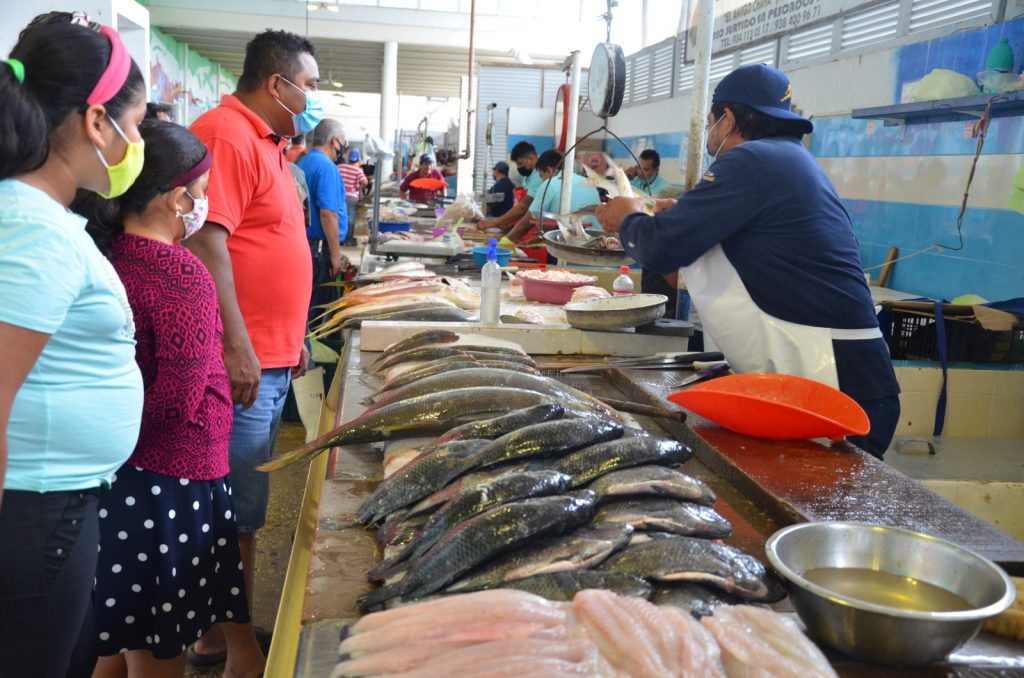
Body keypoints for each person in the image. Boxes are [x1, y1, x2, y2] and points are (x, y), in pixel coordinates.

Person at [596, 64, 900, 459]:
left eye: (710, 120)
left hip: (834, 379)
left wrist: (627, 217)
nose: (709, 131)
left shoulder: (751, 160)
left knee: (812, 505)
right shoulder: (783, 158)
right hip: (834, 372)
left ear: (729, 120)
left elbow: (660, 249)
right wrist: (672, 212)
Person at [81, 120, 265, 678]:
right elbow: (181, 395)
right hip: (170, 482)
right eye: (201, 192)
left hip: (127, 477)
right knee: (158, 648)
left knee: (120, 634)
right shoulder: (180, 272)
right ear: (173, 195)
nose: (203, 205)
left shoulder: (111, 256)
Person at [0, 17, 146, 678]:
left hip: (53, 503)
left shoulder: (42, 217)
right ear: (96, 122)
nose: (135, 141)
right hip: (34, 513)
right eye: (134, 123)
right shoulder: (35, 231)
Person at [184, 29, 318, 665]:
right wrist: (238, 345)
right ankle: (237, 648)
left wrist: (289, 339)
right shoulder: (227, 134)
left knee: (241, 504)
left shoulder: (266, 140)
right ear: (277, 84)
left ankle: (212, 634)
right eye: (308, 87)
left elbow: (265, 242)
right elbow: (208, 243)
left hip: (268, 352)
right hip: (241, 361)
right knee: (234, 511)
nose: (311, 98)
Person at [298, 118, 349, 327]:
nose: (344, 146)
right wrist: (335, 256)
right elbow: (328, 214)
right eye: (343, 141)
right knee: (316, 313)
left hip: (306, 248)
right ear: (334, 141)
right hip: (318, 253)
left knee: (305, 310)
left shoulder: (305, 161)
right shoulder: (326, 167)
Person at [503, 149, 600, 243]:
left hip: (571, 245)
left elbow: (527, 221)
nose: (542, 181)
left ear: (549, 170)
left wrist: (504, 241)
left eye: (542, 176)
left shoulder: (550, 184)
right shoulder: (589, 183)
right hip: (597, 241)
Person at [474, 141, 541, 232]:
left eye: (520, 163)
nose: (518, 168)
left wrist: (493, 222)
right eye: (517, 164)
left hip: (532, 229)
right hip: (523, 227)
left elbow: (523, 207)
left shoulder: (538, 177)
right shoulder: (527, 178)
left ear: (531, 158)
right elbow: (520, 207)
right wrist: (510, 223)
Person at [338, 147, 367, 242]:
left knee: (341, 216)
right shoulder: (358, 170)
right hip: (352, 197)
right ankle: (349, 239)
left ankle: (340, 238)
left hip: (341, 196)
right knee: (351, 217)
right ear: (357, 160)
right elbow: (365, 182)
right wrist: (359, 188)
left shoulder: (340, 167)